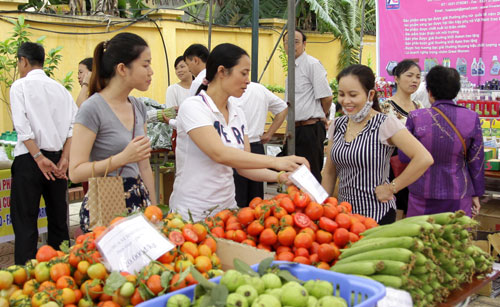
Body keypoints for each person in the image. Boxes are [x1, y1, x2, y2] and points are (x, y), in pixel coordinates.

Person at [169, 43, 309, 221]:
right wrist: (277, 161)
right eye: (243, 73)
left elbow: (243, 166)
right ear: (222, 71)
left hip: (226, 212)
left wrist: (281, 176)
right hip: (191, 214)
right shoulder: (194, 107)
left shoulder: (237, 112)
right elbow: (219, 153)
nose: (248, 80)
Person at [321, 64, 433, 224]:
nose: (346, 101)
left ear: (370, 94)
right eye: (341, 94)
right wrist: (323, 206)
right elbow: (330, 173)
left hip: (377, 215)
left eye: (353, 95)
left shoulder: (385, 123)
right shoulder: (337, 125)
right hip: (344, 217)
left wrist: (392, 188)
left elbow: (423, 158)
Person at [69, 32, 156, 232]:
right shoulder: (92, 108)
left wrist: (153, 208)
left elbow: (144, 166)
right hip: (106, 200)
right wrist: (122, 158)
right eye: (145, 64)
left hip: (138, 200)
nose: (151, 71)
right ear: (122, 69)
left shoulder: (138, 106)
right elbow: (75, 172)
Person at [10, 42, 77, 264]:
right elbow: (72, 127)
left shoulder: (19, 86)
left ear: (24, 61)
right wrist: (65, 158)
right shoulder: (61, 90)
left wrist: (38, 157)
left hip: (30, 160)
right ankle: (61, 269)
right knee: (59, 220)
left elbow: (22, 127)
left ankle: (26, 275)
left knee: (25, 222)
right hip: (58, 161)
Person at [399, 66, 485, 217]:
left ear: (429, 91)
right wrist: (476, 194)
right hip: (459, 193)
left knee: (421, 238)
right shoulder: (471, 117)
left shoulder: (416, 117)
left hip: (421, 192)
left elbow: (404, 157)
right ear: (456, 91)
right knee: (456, 237)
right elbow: (476, 161)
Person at [281, 29, 333, 182]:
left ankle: (315, 206)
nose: (291, 46)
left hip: (309, 130)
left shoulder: (311, 64)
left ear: (304, 44)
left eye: (296, 42)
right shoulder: (291, 67)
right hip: (295, 130)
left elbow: (327, 97)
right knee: (293, 175)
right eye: (287, 43)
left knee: (310, 177)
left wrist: (319, 115)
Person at [231, 82, 288, 207]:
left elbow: (283, 108)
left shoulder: (228, 91)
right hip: (254, 147)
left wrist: (269, 133)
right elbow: (283, 108)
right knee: (255, 201)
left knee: (240, 200)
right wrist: (269, 133)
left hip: (237, 148)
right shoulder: (259, 89)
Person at [380, 59, 423, 217]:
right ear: (396, 78)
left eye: (418, 77)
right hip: (394, 164)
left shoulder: (419, 106)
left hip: (416, 164)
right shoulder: (386, 106)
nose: (414, 80)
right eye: (409, 75)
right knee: (398, 205)